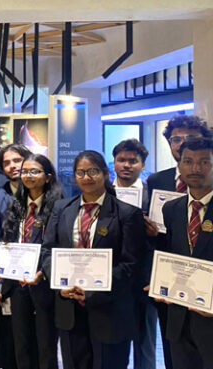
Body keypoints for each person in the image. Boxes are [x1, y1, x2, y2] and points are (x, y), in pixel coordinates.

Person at [41, 150, 144, 369]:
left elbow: (131, 265)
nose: (86, 177)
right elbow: (48, 251)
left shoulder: (127, 214)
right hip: (69, 307)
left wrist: (93, 290)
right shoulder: (62, 209)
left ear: (105, 174)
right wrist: (60, 284)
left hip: (110, 309)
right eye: (81, 172)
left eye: (93, 171)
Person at [146, 114, 211, 369]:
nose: (195, 168)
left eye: (204, 162)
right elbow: (171, 252)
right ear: (180, 166)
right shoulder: (172, 209)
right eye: (188, 161)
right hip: (179, 315)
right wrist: (160, 282)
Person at [0, 154, 64, 369]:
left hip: (44, 283)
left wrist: (42, 272)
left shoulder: (60, 206)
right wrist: (0, 271)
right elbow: (8, 242)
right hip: (17, 284)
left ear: (48, 176)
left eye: (35, 171)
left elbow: (58, 245)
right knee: (21, 343)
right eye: (25, 171)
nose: (28, 176)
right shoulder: (17, 205)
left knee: (46, 344)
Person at [112, 138, 156, 369]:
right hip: (112, 275)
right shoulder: (104, 193)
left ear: (142, 165)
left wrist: (154, 233)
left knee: (145, 341)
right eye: (121, 160)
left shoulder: (154, 196)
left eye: (133, 161)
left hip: (144, 277)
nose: (126, 165)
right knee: (113, 341)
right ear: (114, 162)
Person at [0, 143, 32, 369]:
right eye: (6, 162)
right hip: (9, 273)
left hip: (37, 273)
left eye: (17, 160)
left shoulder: (44, 192)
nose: (13, 166)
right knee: (10, 332)